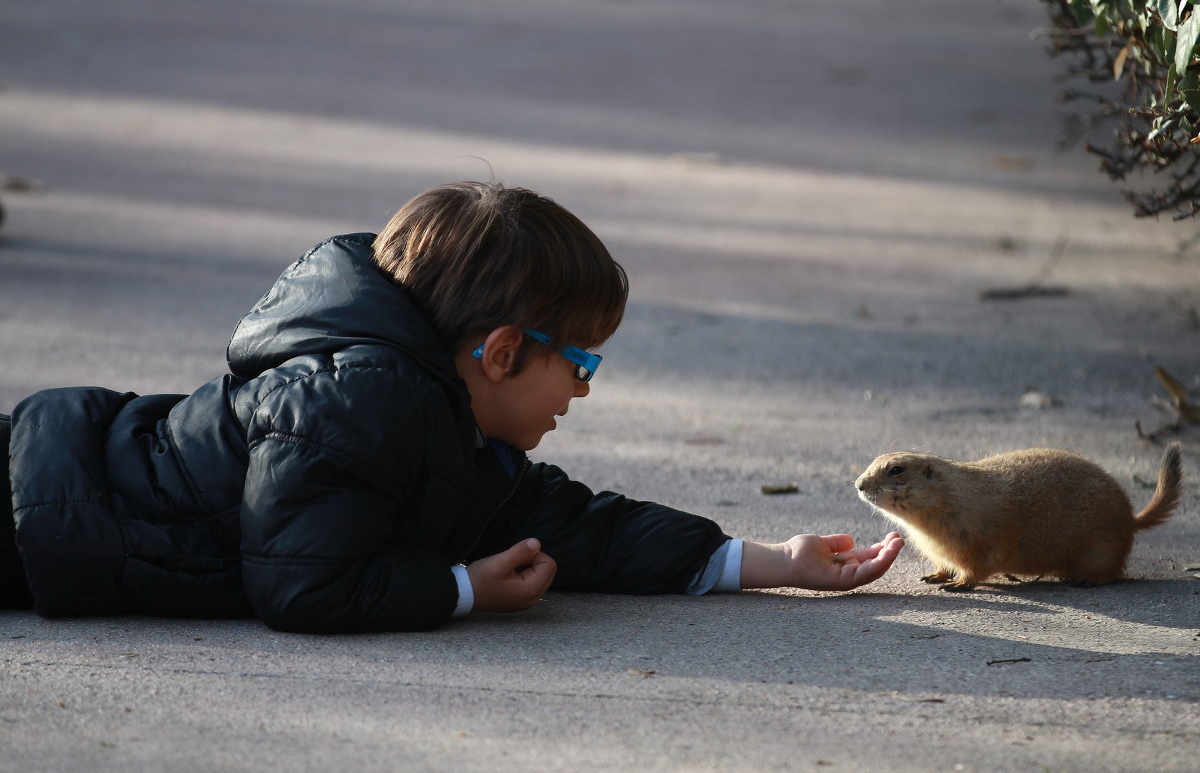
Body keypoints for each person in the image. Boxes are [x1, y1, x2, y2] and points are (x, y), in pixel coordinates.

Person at [0, 182, 903, 633]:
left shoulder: (446, 423)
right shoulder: (361, 407)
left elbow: (574, 525)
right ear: (502, 353)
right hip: (41, 509)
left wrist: (765, 560)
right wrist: (462, 589)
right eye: (582, 361)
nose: (585, 387)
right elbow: (300, 582)